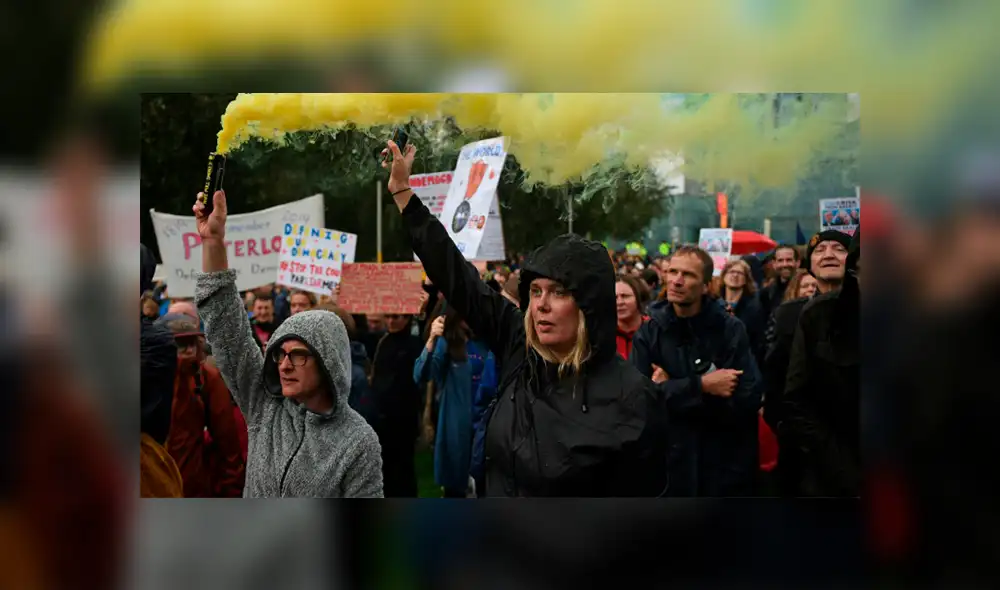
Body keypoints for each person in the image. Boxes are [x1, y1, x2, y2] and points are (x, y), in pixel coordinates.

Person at [384, 139, 667, 497]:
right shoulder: (520, 343)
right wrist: (404, 194)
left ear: (589, 303)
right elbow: (458, 277)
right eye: (535, 292)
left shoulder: (633, 399)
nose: (541, 305)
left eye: (559, 292)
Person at [193, 190, 383, 497]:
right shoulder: (265, 407)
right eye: (280, 354)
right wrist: (213, 241)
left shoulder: (358, 441)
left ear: (327, 361)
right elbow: (227, 326)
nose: (284, 365)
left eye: (297, 355)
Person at [630, 246, 763, 497]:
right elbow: (637, 399)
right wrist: (700, 385)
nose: (677, 281)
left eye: (688, 275)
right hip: (669, 468)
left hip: (723, 467)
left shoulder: (730, 330)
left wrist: (668, 389)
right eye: (672, 272)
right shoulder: (650, 332)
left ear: (705, 286)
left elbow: (747, 397)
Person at [762, 229, 851, 496]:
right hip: (802, 446)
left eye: (838, 248)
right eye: (820, 250)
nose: (828, 255)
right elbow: (775, 375)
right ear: (809, 266)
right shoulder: (789, 314)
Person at [156, 313, 246, 497]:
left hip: (192, 487)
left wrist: (232, 493)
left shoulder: (206, 379)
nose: (189, 351)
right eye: (180, 344)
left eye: (192, 343)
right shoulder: (148, 377)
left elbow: (228, 447)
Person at [414, 307, 493, 498]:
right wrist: (432, 340)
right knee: (457, 491)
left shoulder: (484, 341)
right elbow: (421, 375)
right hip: (458, 431)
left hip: (486, 427)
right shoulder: (446, 343)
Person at [368, 311, 424, 497]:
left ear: (407, 319)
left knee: (403, 469)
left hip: (403, 417)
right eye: (388, 317)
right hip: (382, 416)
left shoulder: (415, 345)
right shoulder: (383, 342)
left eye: (396, 317)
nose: (391, 321)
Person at [718, 259, 766, 367]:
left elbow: (758, 340)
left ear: (746, 279)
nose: (735, 275)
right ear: (724, 276)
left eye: (739, 273)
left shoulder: (754, 307)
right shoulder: (714, 303)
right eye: (731, 272)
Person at [759, 245, 800, 320]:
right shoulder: (767, 293)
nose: (785, 264)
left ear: (798, 263)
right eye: (780, 260)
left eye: (789, 260)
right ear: (774, 264)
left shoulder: (807, 288)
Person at [615, 275, 649, 359]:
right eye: (614, 297)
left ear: (639, 298)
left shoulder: (655, 331)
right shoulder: (602, 335)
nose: (619, 302)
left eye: (625, 296)